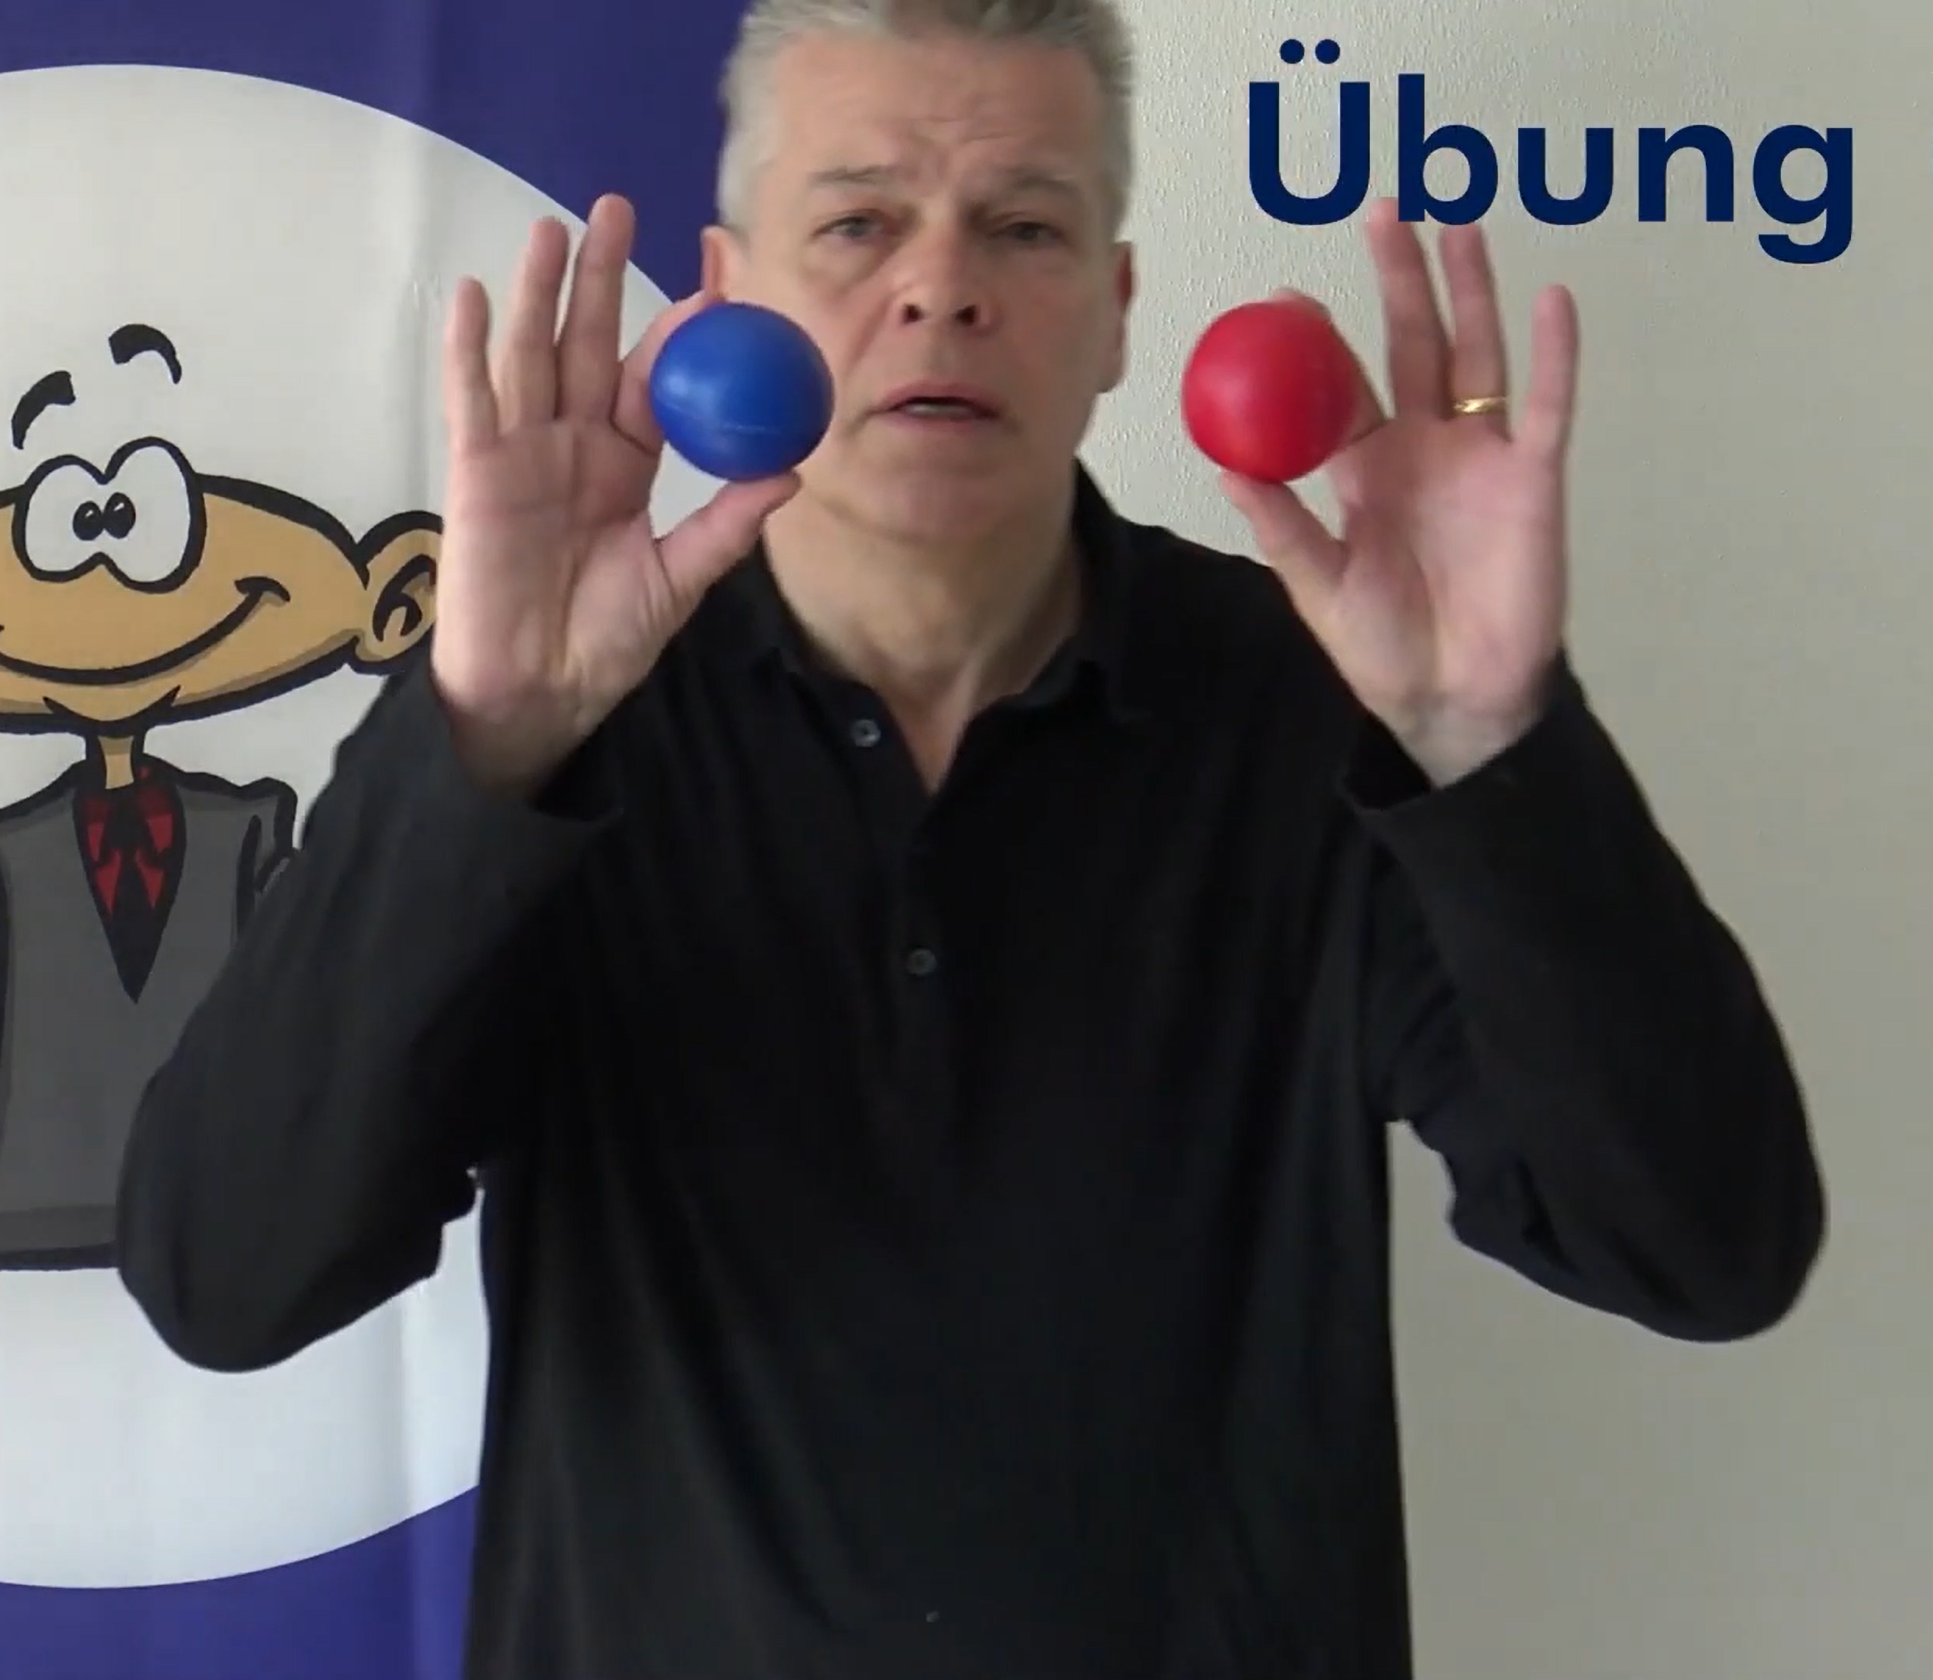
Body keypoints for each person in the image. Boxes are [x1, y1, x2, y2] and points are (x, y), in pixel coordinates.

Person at [116, 0, 1826, 1673]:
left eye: (1022, 226)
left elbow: (1701, 1250)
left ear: (1115, 316)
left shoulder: (1310, 707)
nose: (940, 287)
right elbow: (227, 1277)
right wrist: (482, 740)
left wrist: (1485, 744)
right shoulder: (561, 735)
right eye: (858, 224)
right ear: (728, 296)